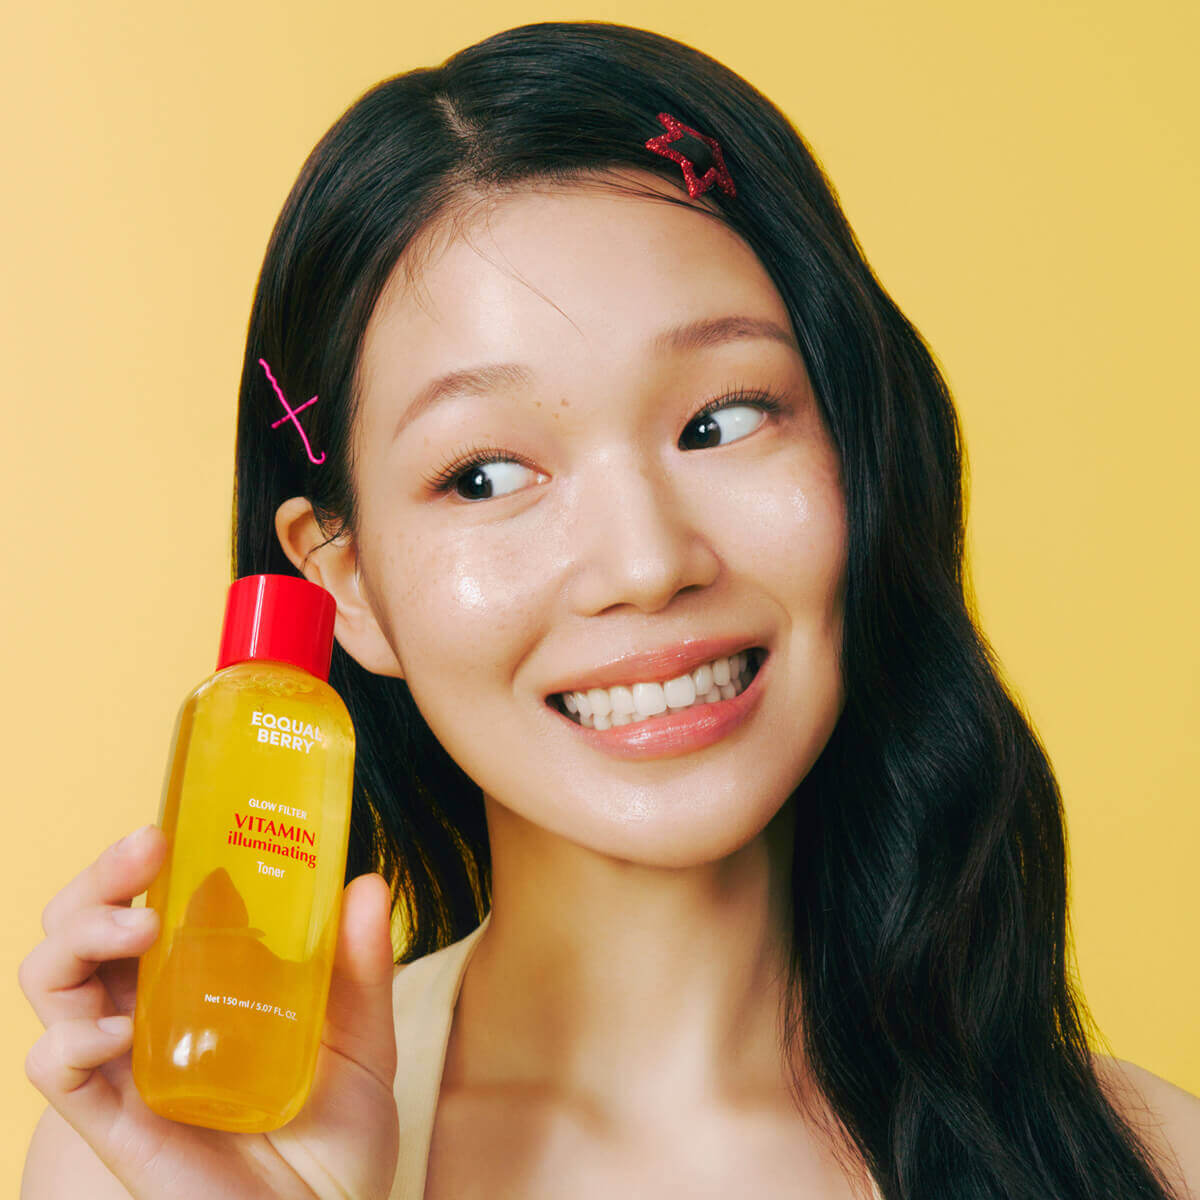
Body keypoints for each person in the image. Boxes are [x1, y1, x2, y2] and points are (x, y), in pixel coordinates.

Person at [18, 19, 1200, 1200]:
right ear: (347, 586)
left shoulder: (1153, 1161)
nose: (645, 563)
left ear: (862, 447)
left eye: (721, 420)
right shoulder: (158, 1163)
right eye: (484, 475)